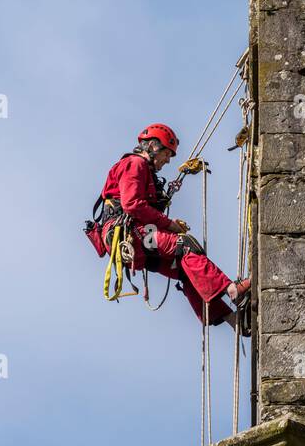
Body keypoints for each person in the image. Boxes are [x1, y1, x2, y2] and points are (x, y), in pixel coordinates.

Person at [98, 123, 250, 329]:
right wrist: (169, 224)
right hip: (130, 234)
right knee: (185, 246)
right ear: (152, 146)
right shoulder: (135, 164)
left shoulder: (145, 171)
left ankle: (234, 321)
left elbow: (140, 207)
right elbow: (132, 204)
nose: (167, 161)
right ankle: (233, 290)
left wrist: (166, 219)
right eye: (167, 154)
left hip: (136, 238)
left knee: (185, 269)